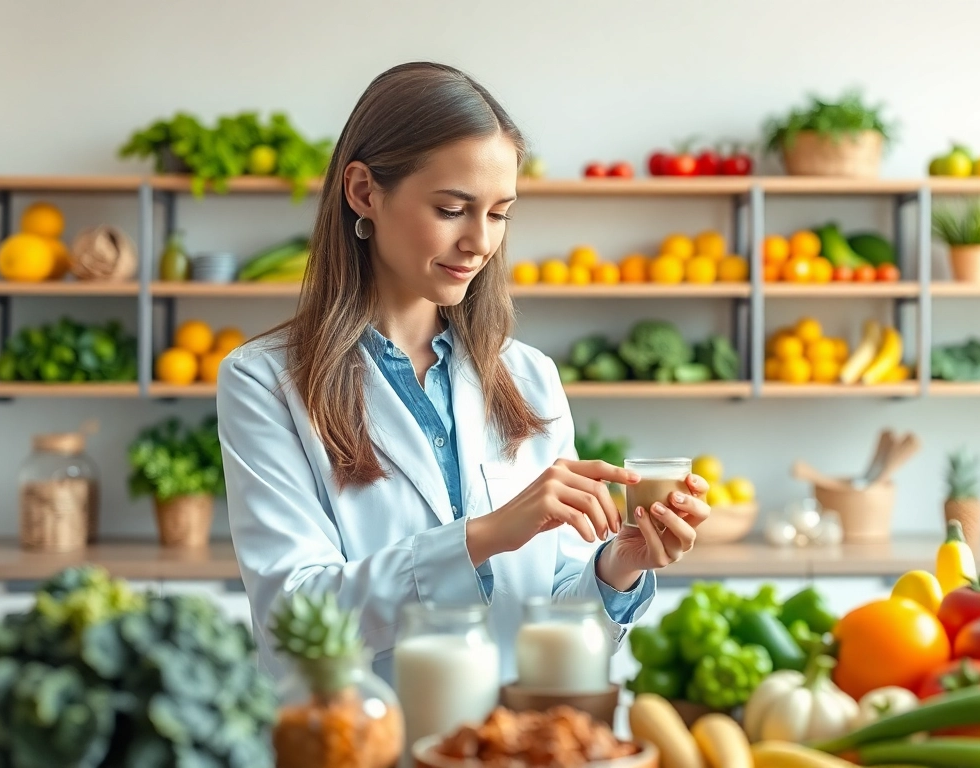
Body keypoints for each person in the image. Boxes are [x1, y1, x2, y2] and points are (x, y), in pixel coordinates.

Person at [216, 61, 711, 686]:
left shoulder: (529, 379)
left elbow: (552, 622)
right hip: (367, 741)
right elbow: (294, 618)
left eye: (500, 213)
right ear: (364, 192)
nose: (481, 241)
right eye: (453, 208)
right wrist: (481, 537)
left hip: (509, 741)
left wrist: (619, 566)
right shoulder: (265, 383)